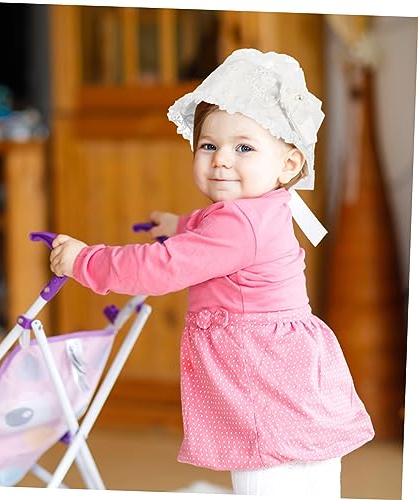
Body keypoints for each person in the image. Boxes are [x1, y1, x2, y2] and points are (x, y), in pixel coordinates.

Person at [49, 48, 374, 498]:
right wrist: (179, 226)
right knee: (310, 482)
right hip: (288, 377)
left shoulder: (238, 224)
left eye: (244, 147)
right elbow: (216, 237)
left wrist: (85, 260)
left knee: (264, 483)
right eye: (208, 145)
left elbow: (162, 268)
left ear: (289, 163)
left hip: (265, 383)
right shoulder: (260, 209)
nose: (221, 159)